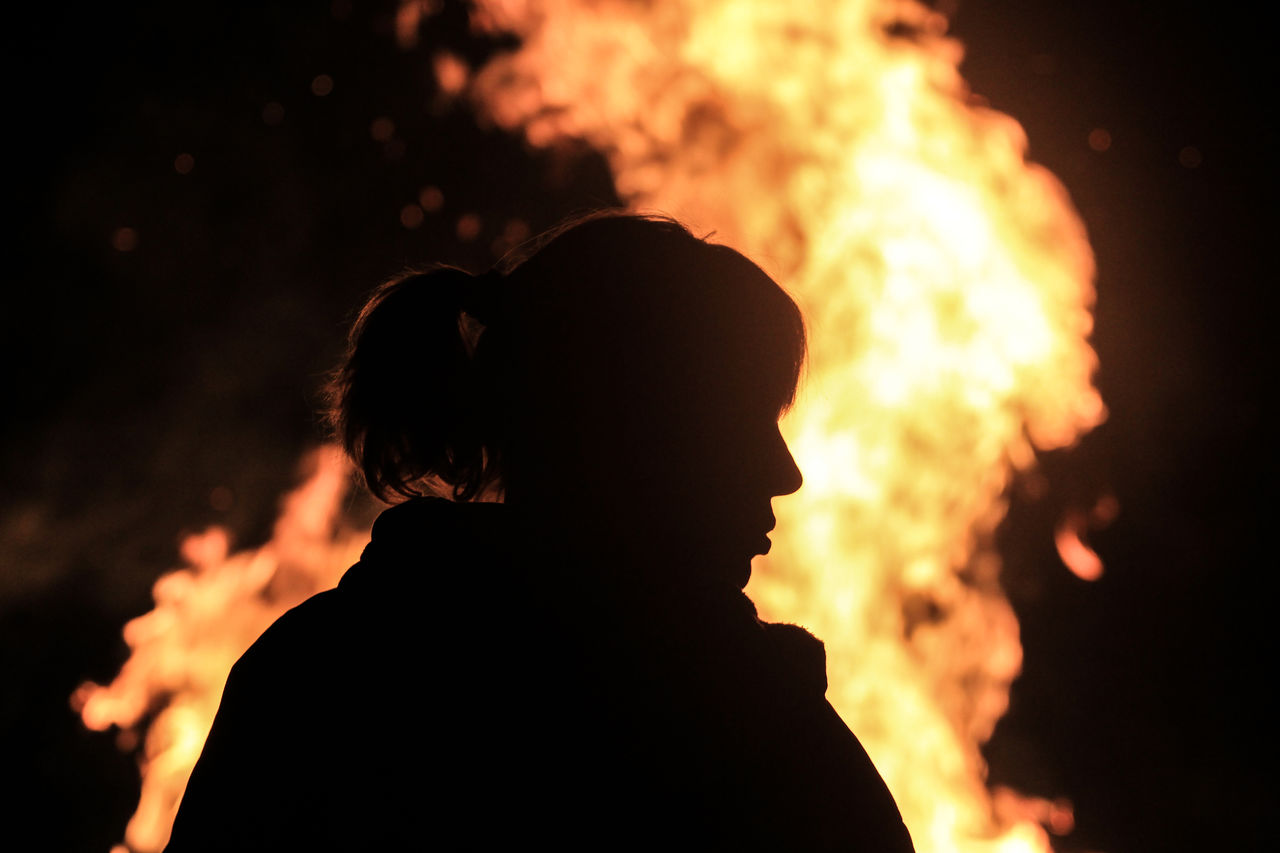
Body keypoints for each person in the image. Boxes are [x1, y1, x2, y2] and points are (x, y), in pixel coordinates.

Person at [165, 212, 914, 851]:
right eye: (740, 425)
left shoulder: (314, 676)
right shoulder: (748, 730)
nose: (784, 473)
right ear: (623, 437)